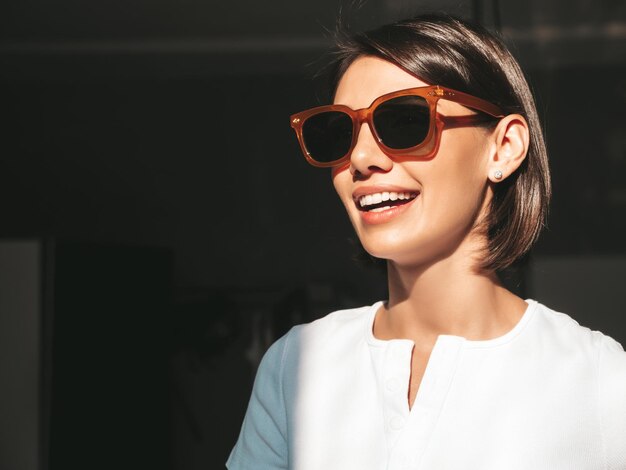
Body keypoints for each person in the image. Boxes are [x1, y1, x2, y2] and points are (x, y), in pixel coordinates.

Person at [227, 14, 626, 469]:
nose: (360, 158)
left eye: (403, 121)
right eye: (337, 133)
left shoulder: (598, 381)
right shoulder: (296, 364)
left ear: (504, 147)